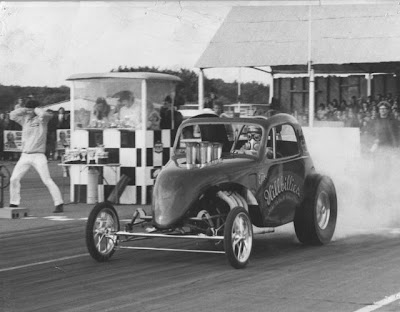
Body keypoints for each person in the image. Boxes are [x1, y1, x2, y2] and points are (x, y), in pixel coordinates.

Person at [8, 99, 64, 213]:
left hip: (38, 155)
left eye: (30, 109)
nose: (28, 112)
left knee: (46, 180)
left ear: (35, 109)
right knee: (14, 179)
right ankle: (14, 202)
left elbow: (43, 113)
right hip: (25, 155)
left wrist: (36, 109)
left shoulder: (43, 119)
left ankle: (59, 203)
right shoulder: (24, 120)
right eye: (27, 109)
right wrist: (25, 110)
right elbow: (12, 115)